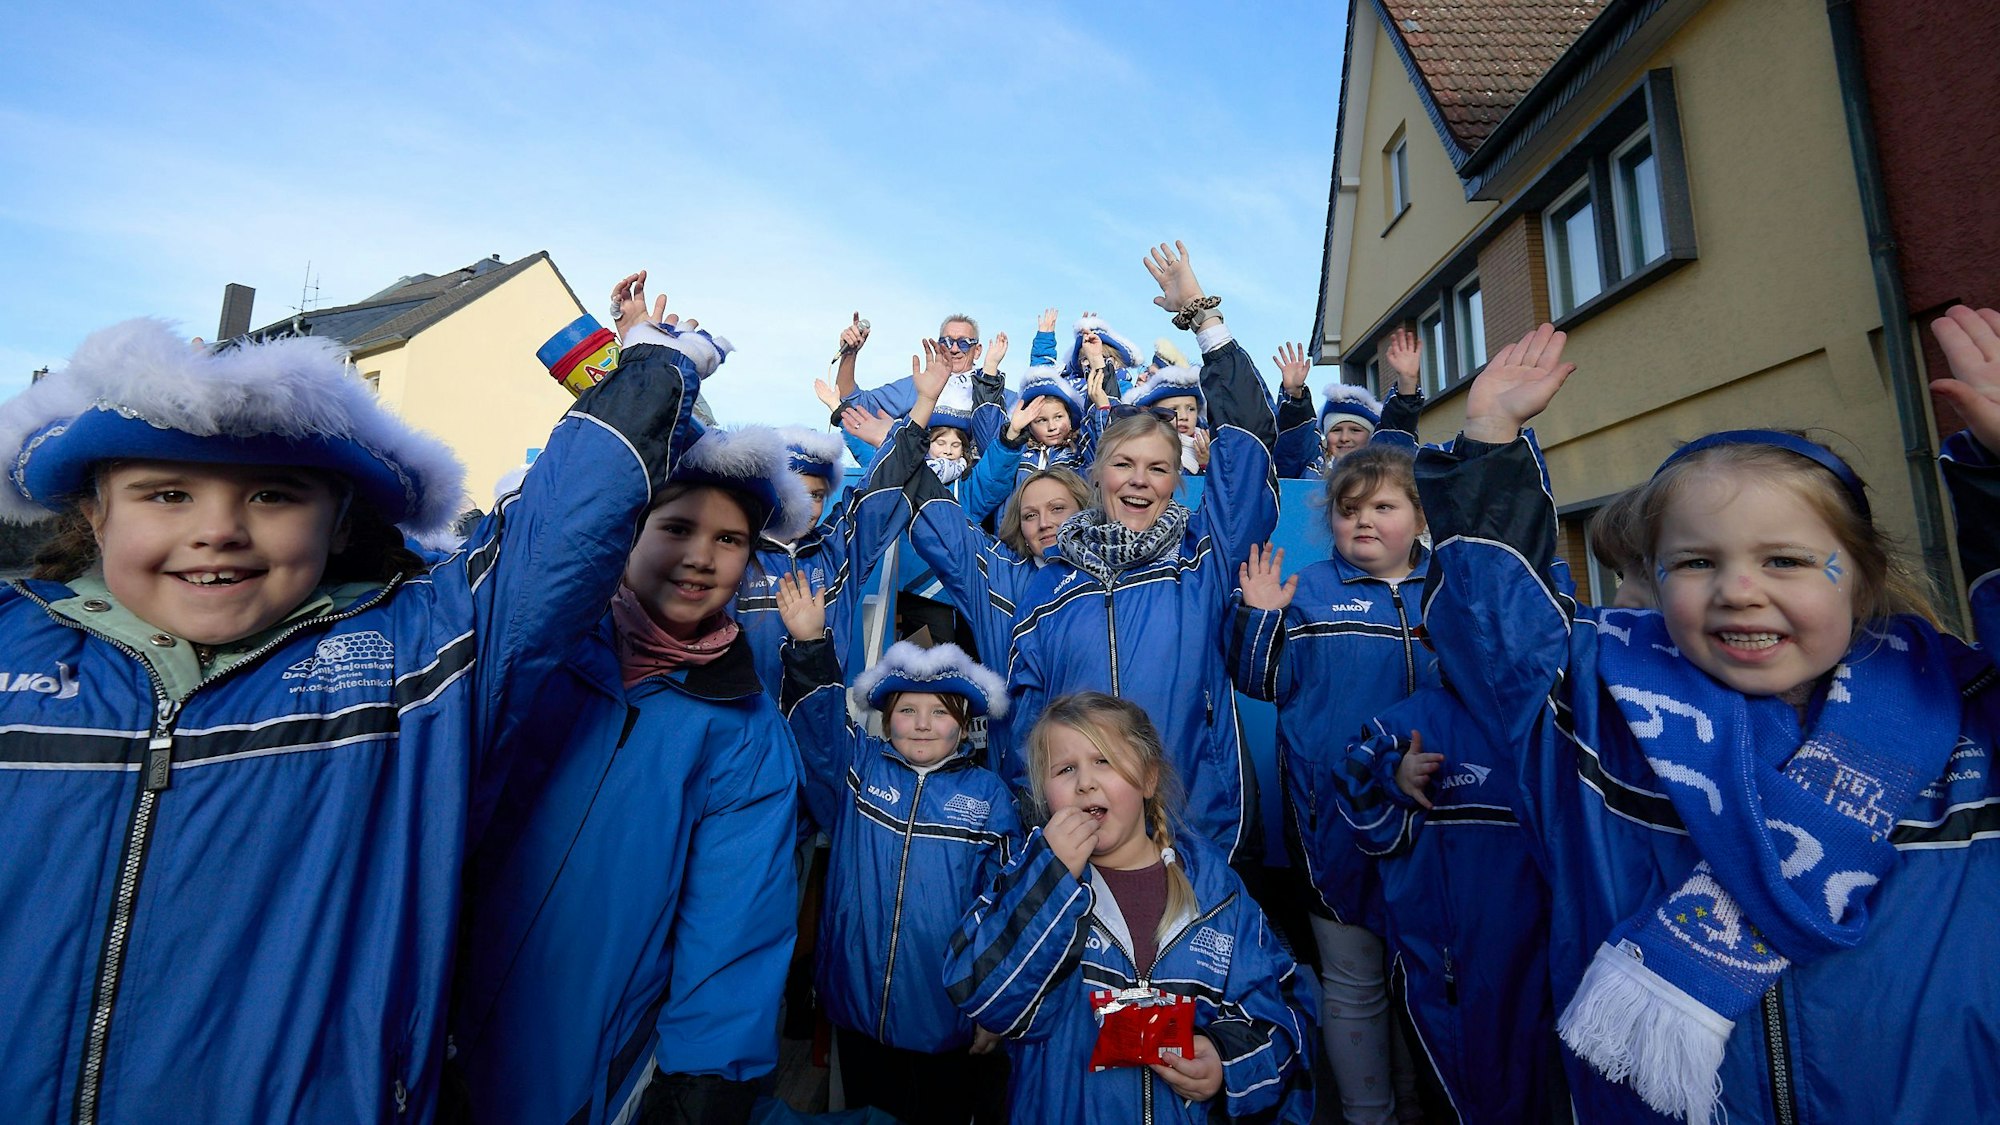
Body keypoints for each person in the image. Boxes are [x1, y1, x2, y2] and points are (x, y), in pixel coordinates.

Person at [0, 269, 711, 1120]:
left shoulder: (414, 662)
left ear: (340, 520)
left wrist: (651, 364)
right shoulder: (14, 644)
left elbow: (559, 539)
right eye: (168, 493)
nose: (217, 527)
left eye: (272, 494)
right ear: (95, 512)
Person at [1410, 313, 2000, 1124]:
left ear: (1859, 580)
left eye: (1785, 559)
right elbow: (1496, 632)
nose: (1738, 589)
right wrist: (1487, 448)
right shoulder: (1598, 711)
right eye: (1696, 562)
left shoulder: (1971, 718)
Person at [450, 427, 809, 1125]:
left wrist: (705, 1077)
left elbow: (735, 925)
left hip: (578, 1063)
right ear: (630, 532)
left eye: (729, 540)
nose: (701, 557)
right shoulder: (528, 654)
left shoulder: (745, 730)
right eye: (676, 526)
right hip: (422, 1029)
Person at [1008, 240, 1279, 862]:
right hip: (1083, 833)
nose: (1138, 480)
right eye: (1123, 464)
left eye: (1157, 469)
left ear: (1176, 480)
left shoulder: (1202, 558)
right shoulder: (1050, 586)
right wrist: (1038, 811)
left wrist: (1203, 318)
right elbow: (1025, 709)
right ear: (1098, 475)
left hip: (1201, 822)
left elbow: (1249, 442)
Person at [944, 692, 1317, 1121]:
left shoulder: (1219, 894)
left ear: (1148, 778)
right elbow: (981, 996)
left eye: (1104, 761)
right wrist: (1048, 877)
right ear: (1045, 796)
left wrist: (1224, 1060)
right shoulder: (1026, 880)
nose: (1085, 782)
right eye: (1066, 769)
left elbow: (1287, 1014)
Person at [1227, 443, 1437, 1125]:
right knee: (1354, 984)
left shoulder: (1450, 589)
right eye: (1350, 511)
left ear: (1419, 514)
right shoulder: (1311, 589)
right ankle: (1367, 1114)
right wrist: (1259, 616)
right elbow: (1261, 682)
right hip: (1331, 824)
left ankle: (1422, 1106)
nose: (1365, 521)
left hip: (1438, 822)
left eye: (1384, 506)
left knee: (1429, 977)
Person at [776, 586, 1022, 1125]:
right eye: (907, 709)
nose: (923, 722)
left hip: (946, 1019)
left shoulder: (989, 799)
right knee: (865, 1114)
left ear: (965, 722)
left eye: (940, 711)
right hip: (856, 1007)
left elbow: (1005, 909)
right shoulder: (857, 773)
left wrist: (995, 1006)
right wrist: (811, 645)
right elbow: (818, 731)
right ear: (887, 719)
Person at [1274, 330, 1423, 478]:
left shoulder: (1381, 473)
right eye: (1336, 430)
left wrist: (1407, 383)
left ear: (1372, 435)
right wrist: (1294, 393)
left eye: (1355, 430)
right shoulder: (1311, 468)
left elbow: (1396, 437)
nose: (1344, 438)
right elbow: (1295, 446)